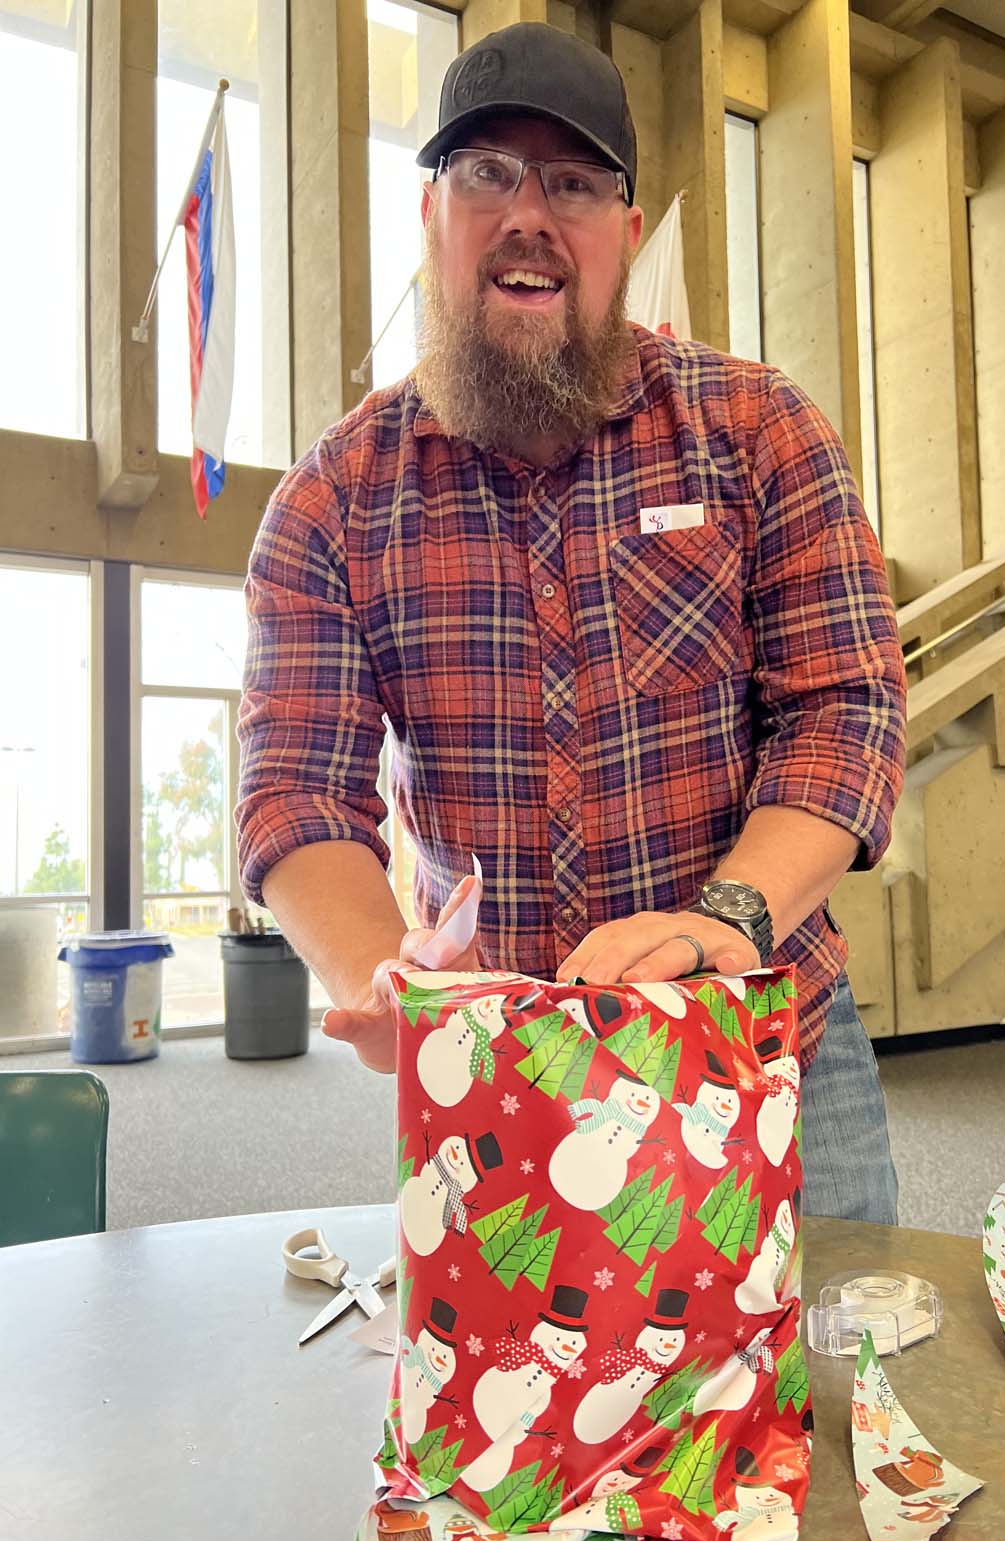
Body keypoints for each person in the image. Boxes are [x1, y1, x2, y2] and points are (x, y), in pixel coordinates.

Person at [236, 23, 907, 1223]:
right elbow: (293, 789)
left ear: (626, 236)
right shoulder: (332, 498)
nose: (530, 213)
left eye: (577, 182)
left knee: (830, 1389)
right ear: (432, 215)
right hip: (501, 1069)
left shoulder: (760, 434)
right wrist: (380, 974)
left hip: (766, 1034)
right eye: (487, 171)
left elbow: (843, 715)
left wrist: (722, 924)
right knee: (527, 1405)